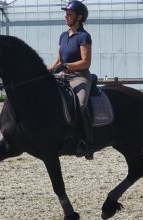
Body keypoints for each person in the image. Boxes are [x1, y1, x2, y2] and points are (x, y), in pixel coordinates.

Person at [48, 0, 94, 160]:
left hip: (80, 77)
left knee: (79, 105)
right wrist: (50, 69)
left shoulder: (83, 36)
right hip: (64, 77)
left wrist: (66, 65)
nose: (66, 16)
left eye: (69, 14)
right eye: (66, 14)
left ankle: (87, 143)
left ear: (79, 17)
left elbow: (85, 62)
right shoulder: (63, 36)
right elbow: (60, 59)